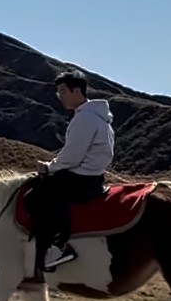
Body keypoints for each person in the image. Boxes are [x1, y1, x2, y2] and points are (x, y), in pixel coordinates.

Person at [26, 69, 115, 275]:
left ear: (77, 91)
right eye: (59, 92)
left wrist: (49, 167)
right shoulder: (99, 117)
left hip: (79, 177)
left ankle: (57, 248)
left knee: (36, 198)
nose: (60, 96)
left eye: (63, 91)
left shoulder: (85, 119)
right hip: (93, 176)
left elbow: (72, 156)